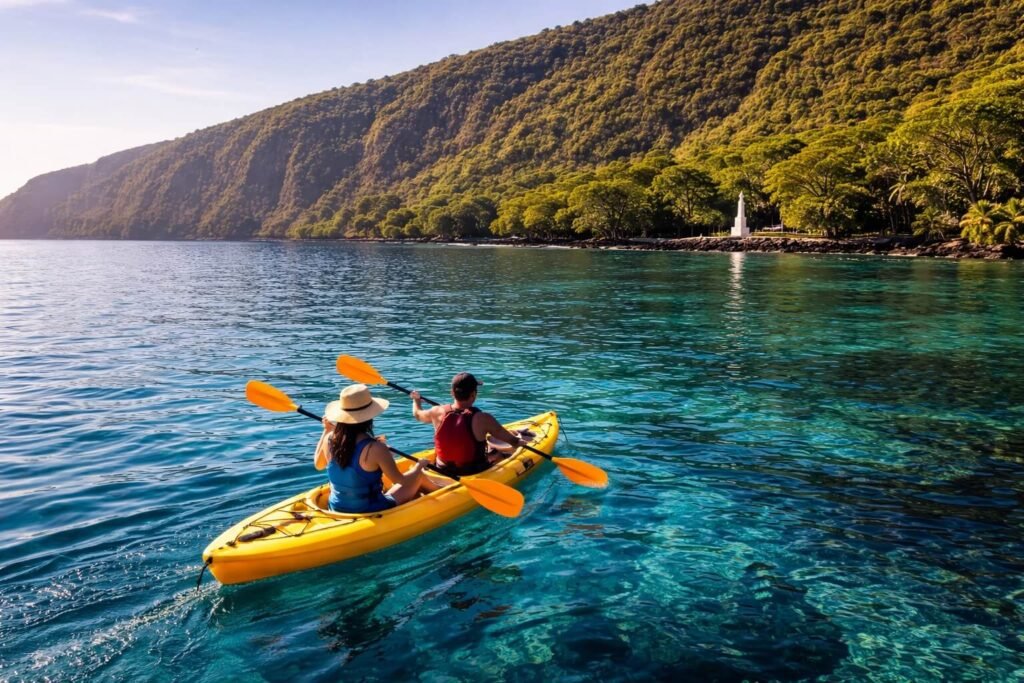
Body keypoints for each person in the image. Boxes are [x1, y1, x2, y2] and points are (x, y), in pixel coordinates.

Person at [314, 383, 438, 513]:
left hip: (335, 507)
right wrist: (419, 466)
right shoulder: (376, 448)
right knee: (417, 476)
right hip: (370, 510)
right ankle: (449, 494)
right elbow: (401, 481)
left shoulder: (329, 438)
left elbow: (319, 465)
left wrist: (326, 430)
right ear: (368, 417)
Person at [410, 372, 532, 476]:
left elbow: (418, 414)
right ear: (473, 394)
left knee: (488, 448)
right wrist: (519, 442)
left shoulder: (436, 411)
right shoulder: (483, 418)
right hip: (471, 472)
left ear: (452, 392)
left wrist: (416, 400)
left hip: (442, 468)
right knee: (497, 453)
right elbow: (511, 440)